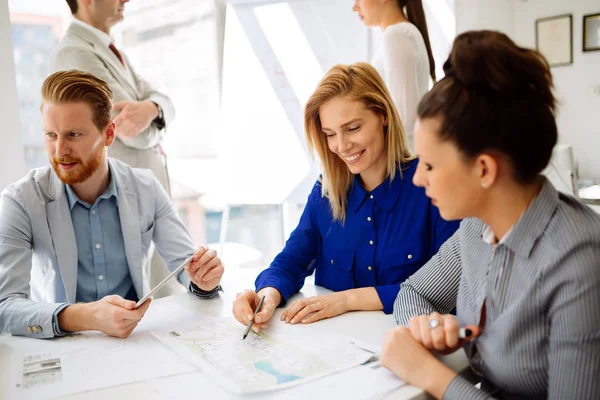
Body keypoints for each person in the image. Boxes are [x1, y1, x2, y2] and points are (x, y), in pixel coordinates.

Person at [381, 31, 600, 399]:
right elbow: (413, 292)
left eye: (430, 165)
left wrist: (431, 376)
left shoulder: (579, 262)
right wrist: (431, 326)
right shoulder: (477, 227)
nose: (418, 179)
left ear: (484, 170)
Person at [232, 63, 459, 333]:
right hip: (336, 351)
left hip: (407, 347)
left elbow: (448, 287)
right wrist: (266, 296)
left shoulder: (431, 189)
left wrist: (348, 300)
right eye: (330, 134)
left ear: (383, 116)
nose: (341, 146)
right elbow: (289, 263)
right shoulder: (325, 193)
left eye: (352, 128)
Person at [0, 71, 224, 339]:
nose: (60, 150)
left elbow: (186, 267)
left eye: (73, 134)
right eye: (51, 135)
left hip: (135, 341)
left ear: (108, 134)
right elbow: (6, 307)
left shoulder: (146, 187)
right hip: (62, 346)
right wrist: (87, 317)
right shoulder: (21, 200)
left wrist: (204, 280)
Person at [50, 0, 176, 296]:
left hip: (141, 199)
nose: (126, 0)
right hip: (119, 201)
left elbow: (159, 98)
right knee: (137, 306)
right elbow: (130, 130)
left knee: (159, 300)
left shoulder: (109, 51)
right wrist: (153, 111)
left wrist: (154, 107)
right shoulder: (75, 53)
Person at [353, 0, 435, 144]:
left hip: (403, 156)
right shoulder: (399, 34)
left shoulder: (397, 35)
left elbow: (405, 118)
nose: (355, 7)